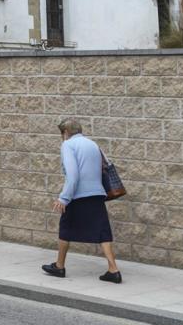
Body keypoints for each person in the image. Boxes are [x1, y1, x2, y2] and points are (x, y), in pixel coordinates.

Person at [42, 118, 122, 283]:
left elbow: (73, 175)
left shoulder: (68, 145)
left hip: (78, 195)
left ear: (65, 133)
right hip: (98, 193)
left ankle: (59, 266)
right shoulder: (93, 144)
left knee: (65, 228)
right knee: (103, 231)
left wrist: (64, 198)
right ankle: (113, 270)